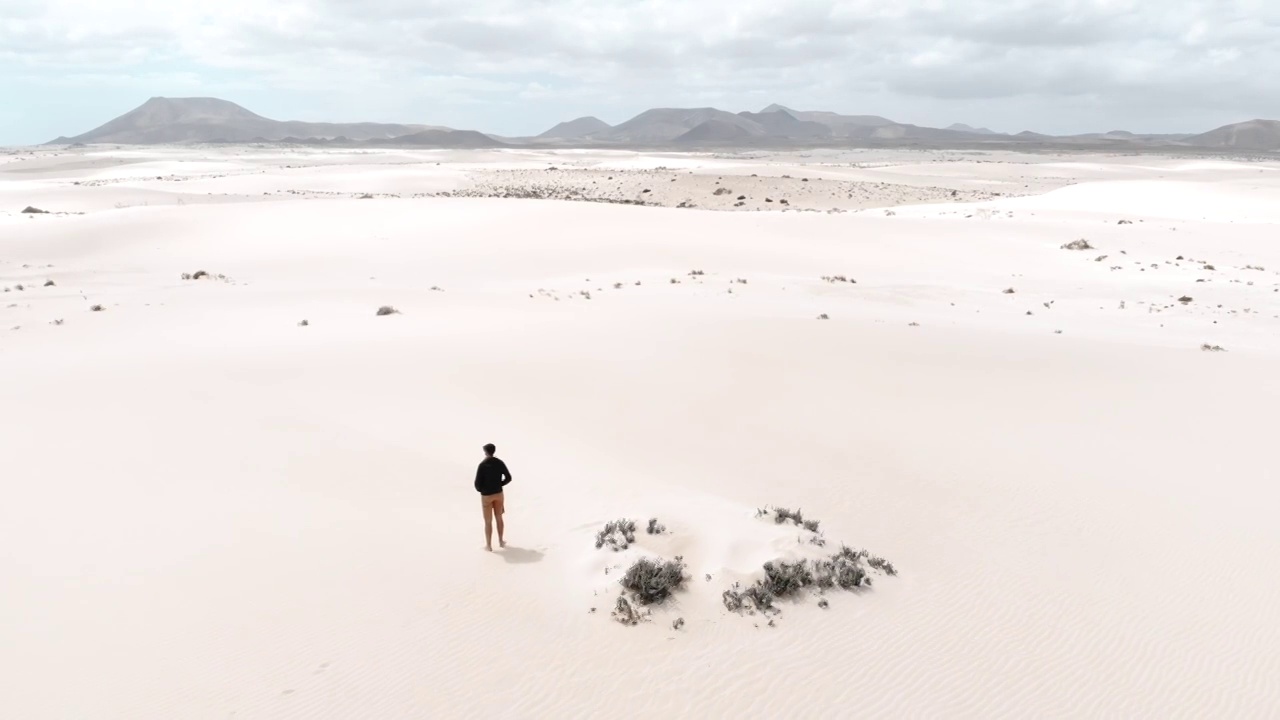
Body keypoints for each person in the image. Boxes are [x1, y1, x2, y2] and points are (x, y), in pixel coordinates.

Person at [474, 443, 512, 551]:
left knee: (488, 521)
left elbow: (477, 484)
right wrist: (500, 484)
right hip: (498, 494)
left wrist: (483, 490)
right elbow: (508, 477)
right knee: (499, 517)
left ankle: (489, 545)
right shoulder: (499, 463)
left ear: (485, 452)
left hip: (486, 496)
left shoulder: (482, 465)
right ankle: (501, 541)